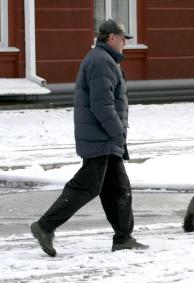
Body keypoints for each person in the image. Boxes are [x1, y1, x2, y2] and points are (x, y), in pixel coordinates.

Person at [30, 19, 148, 256]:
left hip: (105, 139)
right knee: (87, 186)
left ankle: (123, 237)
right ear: (110, 38)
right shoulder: (102, 62)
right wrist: (117, 133)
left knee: (118, 188)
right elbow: (102, 105)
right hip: (101, 139)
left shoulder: (105, 60)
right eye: (123, 38)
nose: (125, 42)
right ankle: (45, 226)